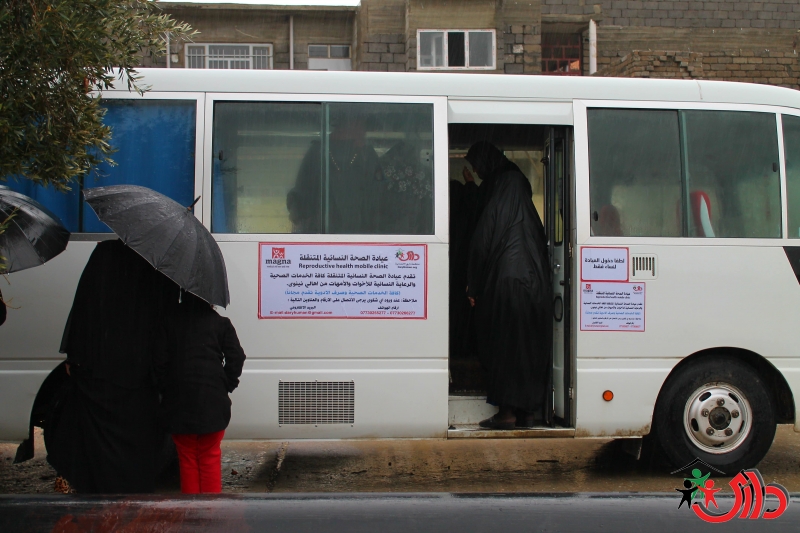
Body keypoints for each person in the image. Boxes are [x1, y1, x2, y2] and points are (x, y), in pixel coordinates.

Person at [47, 239, 181, 493]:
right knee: (138, 435)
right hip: (141, 370)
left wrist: (75, 357)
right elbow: (168, 315)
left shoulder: (105, 253)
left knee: (99, 437)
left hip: (100, 366)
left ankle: (99, 491)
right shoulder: (160, 262)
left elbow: (84, 308)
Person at [464, 141, 553, 429]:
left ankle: (506, 413)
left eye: (478, 167)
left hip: (503, 283)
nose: (476, 172)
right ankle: (527, 412)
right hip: (535, 285)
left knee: (501, 344)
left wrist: (473, 288)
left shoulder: (496, 200)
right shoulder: (528, 215)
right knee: (528, 346)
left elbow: (480, 245)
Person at [154, 291, 246, 494]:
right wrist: (226, 385)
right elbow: (237, 358)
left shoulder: (169, 323)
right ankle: (211, 515)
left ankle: (192, 515)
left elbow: (159, 362)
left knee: (186, 458)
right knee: (209, 455)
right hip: (213, 402)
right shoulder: (222, 324)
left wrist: (167, 388)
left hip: (178, 402)